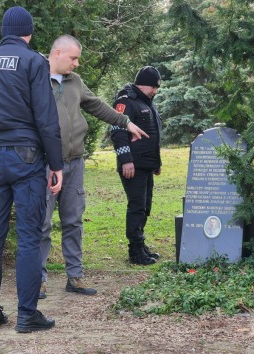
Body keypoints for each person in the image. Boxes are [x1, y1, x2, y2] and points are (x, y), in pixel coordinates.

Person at [0, 6, 63, 333]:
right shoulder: (35, 62)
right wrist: (56, 164)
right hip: (26, 158)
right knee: (29, 237)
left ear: (4, 30)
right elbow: (47, 120)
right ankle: (26, 314)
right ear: (29, 32)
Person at [39, 35, 149, 299]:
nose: (76, 64)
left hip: (74, 162)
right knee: (40, 223)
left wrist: (126, 122)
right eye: (73, 58)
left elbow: (96, 105)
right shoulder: (35, 79)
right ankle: (37, 280)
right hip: (43, 164)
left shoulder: (75, 82)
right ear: (56, 53)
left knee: (73, 220)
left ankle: (74, 277)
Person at [110, 66, 163, 266]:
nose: (155, 91)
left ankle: (140, 245)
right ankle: (135, 251)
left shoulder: (147, 102)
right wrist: (126, 160)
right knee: (137, 206)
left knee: (145, 206)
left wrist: (156, 163)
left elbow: (153, 135)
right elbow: (117, 132)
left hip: (147, 164)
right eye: (153, 87)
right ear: (143, 84)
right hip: (133, 164)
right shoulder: (126, 101)